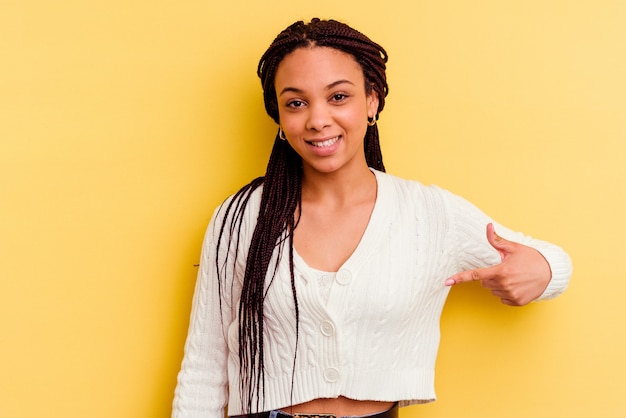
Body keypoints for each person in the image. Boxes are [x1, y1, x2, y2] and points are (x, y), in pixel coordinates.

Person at [172, 18, 572, 418]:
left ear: (372, 101)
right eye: (296, 102)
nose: (317, 120)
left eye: (338, 97)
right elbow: (205, 367)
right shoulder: (240, 218)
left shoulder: (428, 214)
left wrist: (540, 270)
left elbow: (554, 263)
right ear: (279, 115)